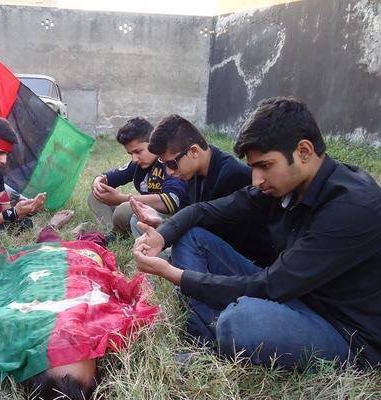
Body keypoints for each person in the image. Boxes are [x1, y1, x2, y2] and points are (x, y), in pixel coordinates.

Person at [133, 97, 381, 370]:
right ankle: (208, 337)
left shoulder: (351, 207)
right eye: (253, 167)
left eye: (265, 165)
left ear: (304, 151)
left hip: (342, 330)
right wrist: (162, 236)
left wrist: (176, 275)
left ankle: (222, 332)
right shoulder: (286, 186)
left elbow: (270, 285)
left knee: (240, 321)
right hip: (294, 295)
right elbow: (203, 211)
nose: (256, 180)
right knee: (191, 238)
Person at [0, 210, 160, 400]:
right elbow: (142, 297)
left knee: (47, 243)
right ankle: (76, 235)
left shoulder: (11, 330)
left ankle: (53, 226)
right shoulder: (113, 327)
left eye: (59, 351)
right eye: (79, 346)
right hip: (83, 264)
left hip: (41, 267)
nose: (68, 334)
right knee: (94, 242)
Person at [130, 114, 275, 267]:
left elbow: (213, 231)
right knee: (138, 222)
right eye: (164, 164)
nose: (169, 172)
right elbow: (191, 215)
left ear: (194, 151)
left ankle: (173, 267)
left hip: (246, 260)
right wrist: (160, 224)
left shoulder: (233, 175)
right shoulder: (193, 172)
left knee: (188, 238)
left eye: (172, 164)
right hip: (208, 244)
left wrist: (166, 231)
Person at [87, 117, 187, 237]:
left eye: (138, 151)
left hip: (171, 218)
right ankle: (113, 234)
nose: (134, 159)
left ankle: (146, 241)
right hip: (143, 211)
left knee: (125, 211)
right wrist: (98, 182)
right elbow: (107, 177)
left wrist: (122, 199)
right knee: (95, 196)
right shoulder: (138, 164)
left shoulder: (169, 162)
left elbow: (170, 202)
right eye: (131, 154)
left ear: (153, 142)